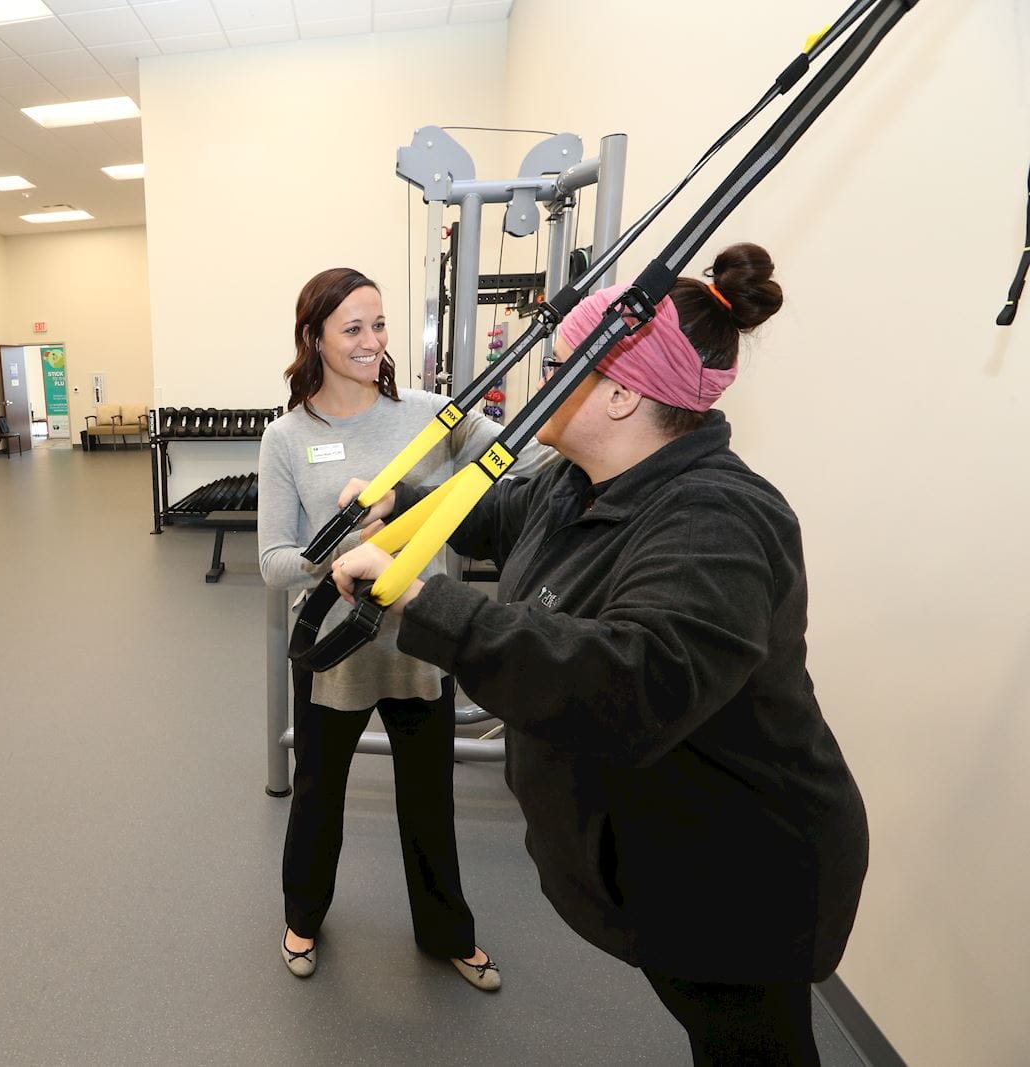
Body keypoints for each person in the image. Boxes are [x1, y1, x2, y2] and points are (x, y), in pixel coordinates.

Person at [331, 243, 869, 1064]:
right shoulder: (578, 477)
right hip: (667, 853)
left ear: (620, 393)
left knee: (754, 1048)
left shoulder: (715, 521)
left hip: (744, 873)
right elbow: (495, 513)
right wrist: (399, 505)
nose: (539, 376)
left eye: (559, 364)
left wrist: (422, 599)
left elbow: (632, 680)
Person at [259, 266, 542, 989]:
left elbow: (529, 458)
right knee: (319, 793)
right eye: (352, 327)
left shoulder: (433, 416)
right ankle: (302, 915)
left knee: (428, 799)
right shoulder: (288, 437)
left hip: (422, 641)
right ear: (314, 338)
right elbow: (271, 560)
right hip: (336, 647)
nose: (370, 341)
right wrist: (334, 560)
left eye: (378, 324)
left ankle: (449, 931)